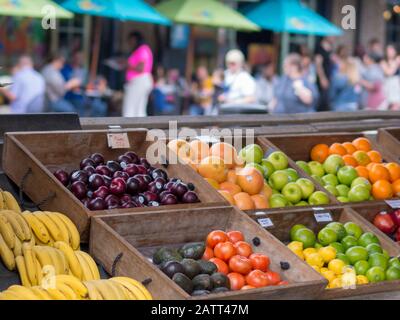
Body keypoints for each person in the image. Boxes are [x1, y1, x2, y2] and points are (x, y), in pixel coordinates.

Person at [123, 32, 153, 117]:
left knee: (130, 108)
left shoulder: (142, 49)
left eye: (130, 40)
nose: (129, 43)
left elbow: (141, 68)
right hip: (140, 81)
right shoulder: (141, 50)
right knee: (138, 109)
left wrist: (127, 65)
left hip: (139, 81)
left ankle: (130, 128)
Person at [329, 47, 361, 112]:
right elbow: (358, 93)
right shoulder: (355, 79)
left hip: (340, 106)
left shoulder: (338, 77)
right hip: (353, 105)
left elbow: (331, 95)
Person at [315, 37, 334, 112]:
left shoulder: (329, 48)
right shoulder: (319, 49)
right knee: (322, 101)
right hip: (323, 79)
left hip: (328, 77)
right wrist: (322, 78)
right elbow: (318, 65)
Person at [381, 44, 400, 110]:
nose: (389, 52)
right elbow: (389, 73)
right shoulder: (383, 62)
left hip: (397, 86)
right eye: (388, 50)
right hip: (388, 85)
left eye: (391, 50)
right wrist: (395, 63)